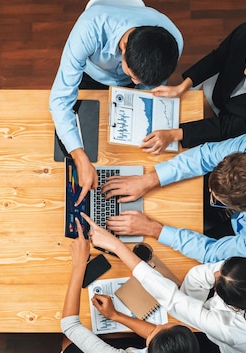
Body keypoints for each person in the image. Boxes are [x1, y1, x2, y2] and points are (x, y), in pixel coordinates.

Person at [81, 213, 246, 353]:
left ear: (233, 306)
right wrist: (191, 297)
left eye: (218, 280)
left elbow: (172, 299)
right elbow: (202, 275)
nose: (216, 272)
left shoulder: (231, 329)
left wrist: (118, 247)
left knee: (166, 346)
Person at [99, 134, 246, 266]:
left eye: (217, 198)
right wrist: (150, 179)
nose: (210, 194)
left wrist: (154, 229)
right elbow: (205, 155)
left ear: (244, 210)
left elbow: (210, 252)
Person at [61, 219, 209, 353]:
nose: (156, 327)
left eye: (155, 330)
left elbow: (69, 325)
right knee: (115, 335)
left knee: (69, 344)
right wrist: (116, 316)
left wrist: (79, 265)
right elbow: (157, 338)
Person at [50, 3, 183, 204]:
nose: (135, 83)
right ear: (123, 47)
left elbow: (147, 86)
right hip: (92, 75)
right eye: (133, 76)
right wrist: (79, 156)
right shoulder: (89, 30)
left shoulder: (173, 40)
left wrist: (143, 94)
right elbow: (60, 100)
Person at [143, 20, 246, 154]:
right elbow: (219, 58)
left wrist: (174, 134)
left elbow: (226, 128)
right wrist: (183, 86)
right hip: (218, 92)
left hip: (232, 128)